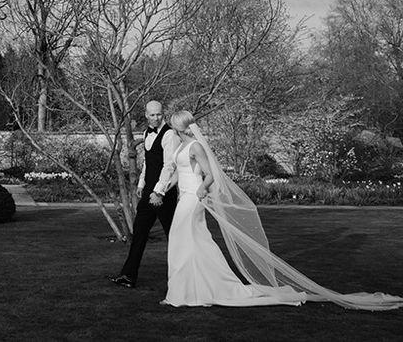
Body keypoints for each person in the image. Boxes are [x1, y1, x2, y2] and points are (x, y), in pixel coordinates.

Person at [153, 109, 403, 310]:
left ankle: (192, 291)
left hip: (193, 199)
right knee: (189, 242)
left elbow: (210, 175)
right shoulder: (179, 148)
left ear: (178, 126)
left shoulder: (196, 147)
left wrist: (201, 189)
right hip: (182, 196)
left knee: (183, 240)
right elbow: (178, 173)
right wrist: (162, 190)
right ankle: (190, 290)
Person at [110, 100, 180, 289]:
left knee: (174, 236)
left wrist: (159, 191)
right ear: (146, 115)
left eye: (159, 114)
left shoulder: (170, 135)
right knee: (139, 233)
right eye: (152, 115)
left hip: (163, 194)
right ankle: (128, 275)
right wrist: (142, 184)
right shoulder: (147, 133)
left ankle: (183, 278)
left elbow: (169, 166)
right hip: (149, 191)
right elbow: (149, 163)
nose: (156, 118)